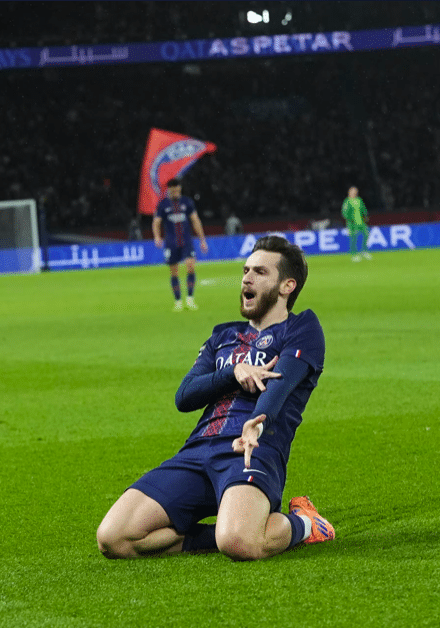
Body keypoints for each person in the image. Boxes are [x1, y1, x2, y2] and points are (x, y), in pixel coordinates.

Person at [97, 235, 335, 561]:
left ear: (286, 286)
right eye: (246, 270)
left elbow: (279, 388)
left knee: (239, 544)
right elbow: (185, 396)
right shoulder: (223, 335)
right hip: (197, 452)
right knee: (114, 538)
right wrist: (233, 371)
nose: (247, 278)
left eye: (260, 272)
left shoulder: (302, 328)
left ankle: (306, 523)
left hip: (251, 452)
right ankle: (230, 525)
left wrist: (255, 424)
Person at [152, 178, 209, 311]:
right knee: (174, 272)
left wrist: (202, 240)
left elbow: (195, 221)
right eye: (173, 190)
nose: (176, 192)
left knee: (190, 266)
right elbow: (156, 222)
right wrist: (157, 236)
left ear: (180, 189)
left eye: (177, 190)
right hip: (171, 243)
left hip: (186, 241)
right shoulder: (163, 204)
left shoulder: (187, 202)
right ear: (169, 190)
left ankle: (190, 299)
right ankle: (178, 301)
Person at [342, 186, 371, 261]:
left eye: (355, 191)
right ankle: (354, 254)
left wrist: (366, 215)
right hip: (352, 223)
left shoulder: (359, 200)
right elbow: (344, 213)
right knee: (353, 238)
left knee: (366, 234)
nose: (354, 193)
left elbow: (363, 209)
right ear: (349, 192)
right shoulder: (347, 201)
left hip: (361, 222)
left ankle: (364, 251)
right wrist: (349, 219)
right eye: (353, 191)